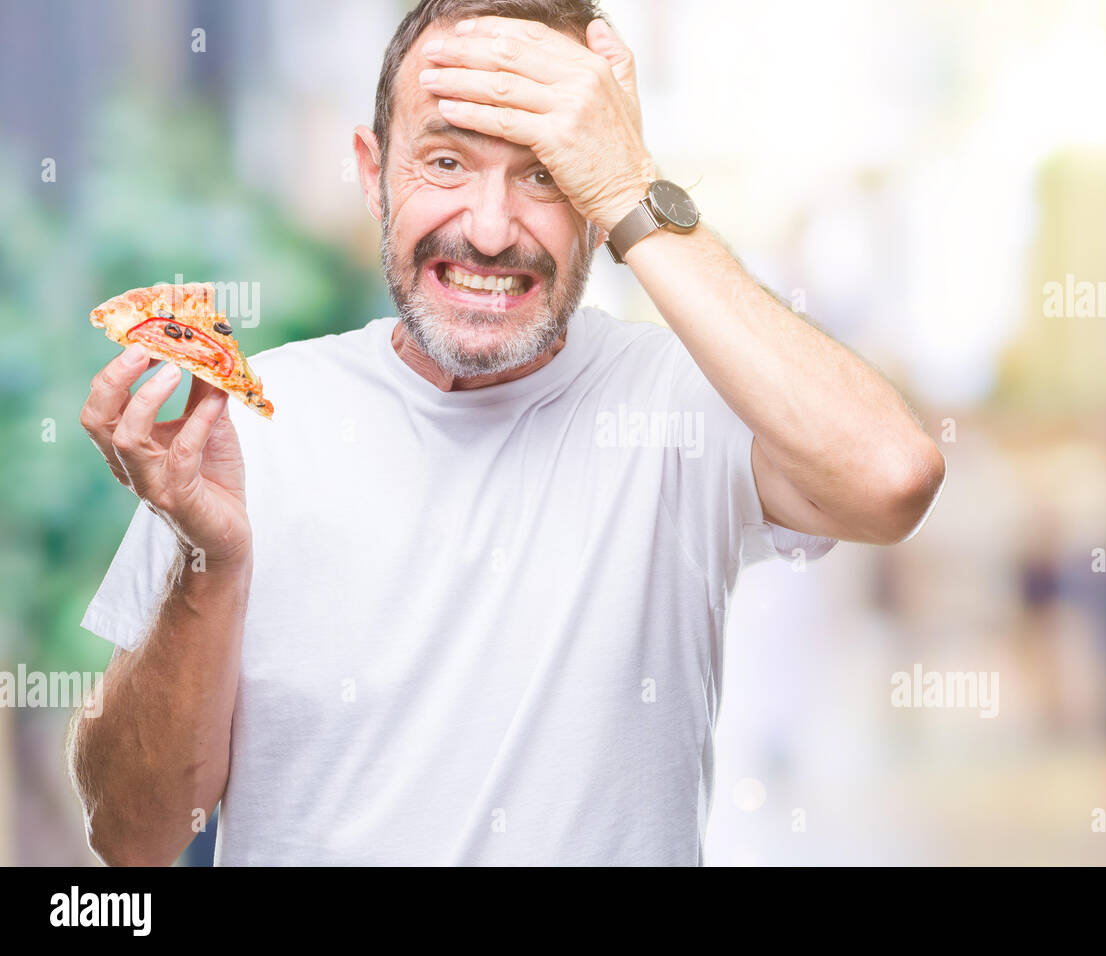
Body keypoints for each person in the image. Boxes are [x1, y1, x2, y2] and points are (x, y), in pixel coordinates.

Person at [70, 0, 946, 866]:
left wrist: (636, 190)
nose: (489, 232)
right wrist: (209, 564)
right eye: (446, 161)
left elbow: (892, 476)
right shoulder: (248, 433)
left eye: (548, 174)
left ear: (599, 206)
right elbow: (130, 837)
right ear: (372, 174)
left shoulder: (682, 405)